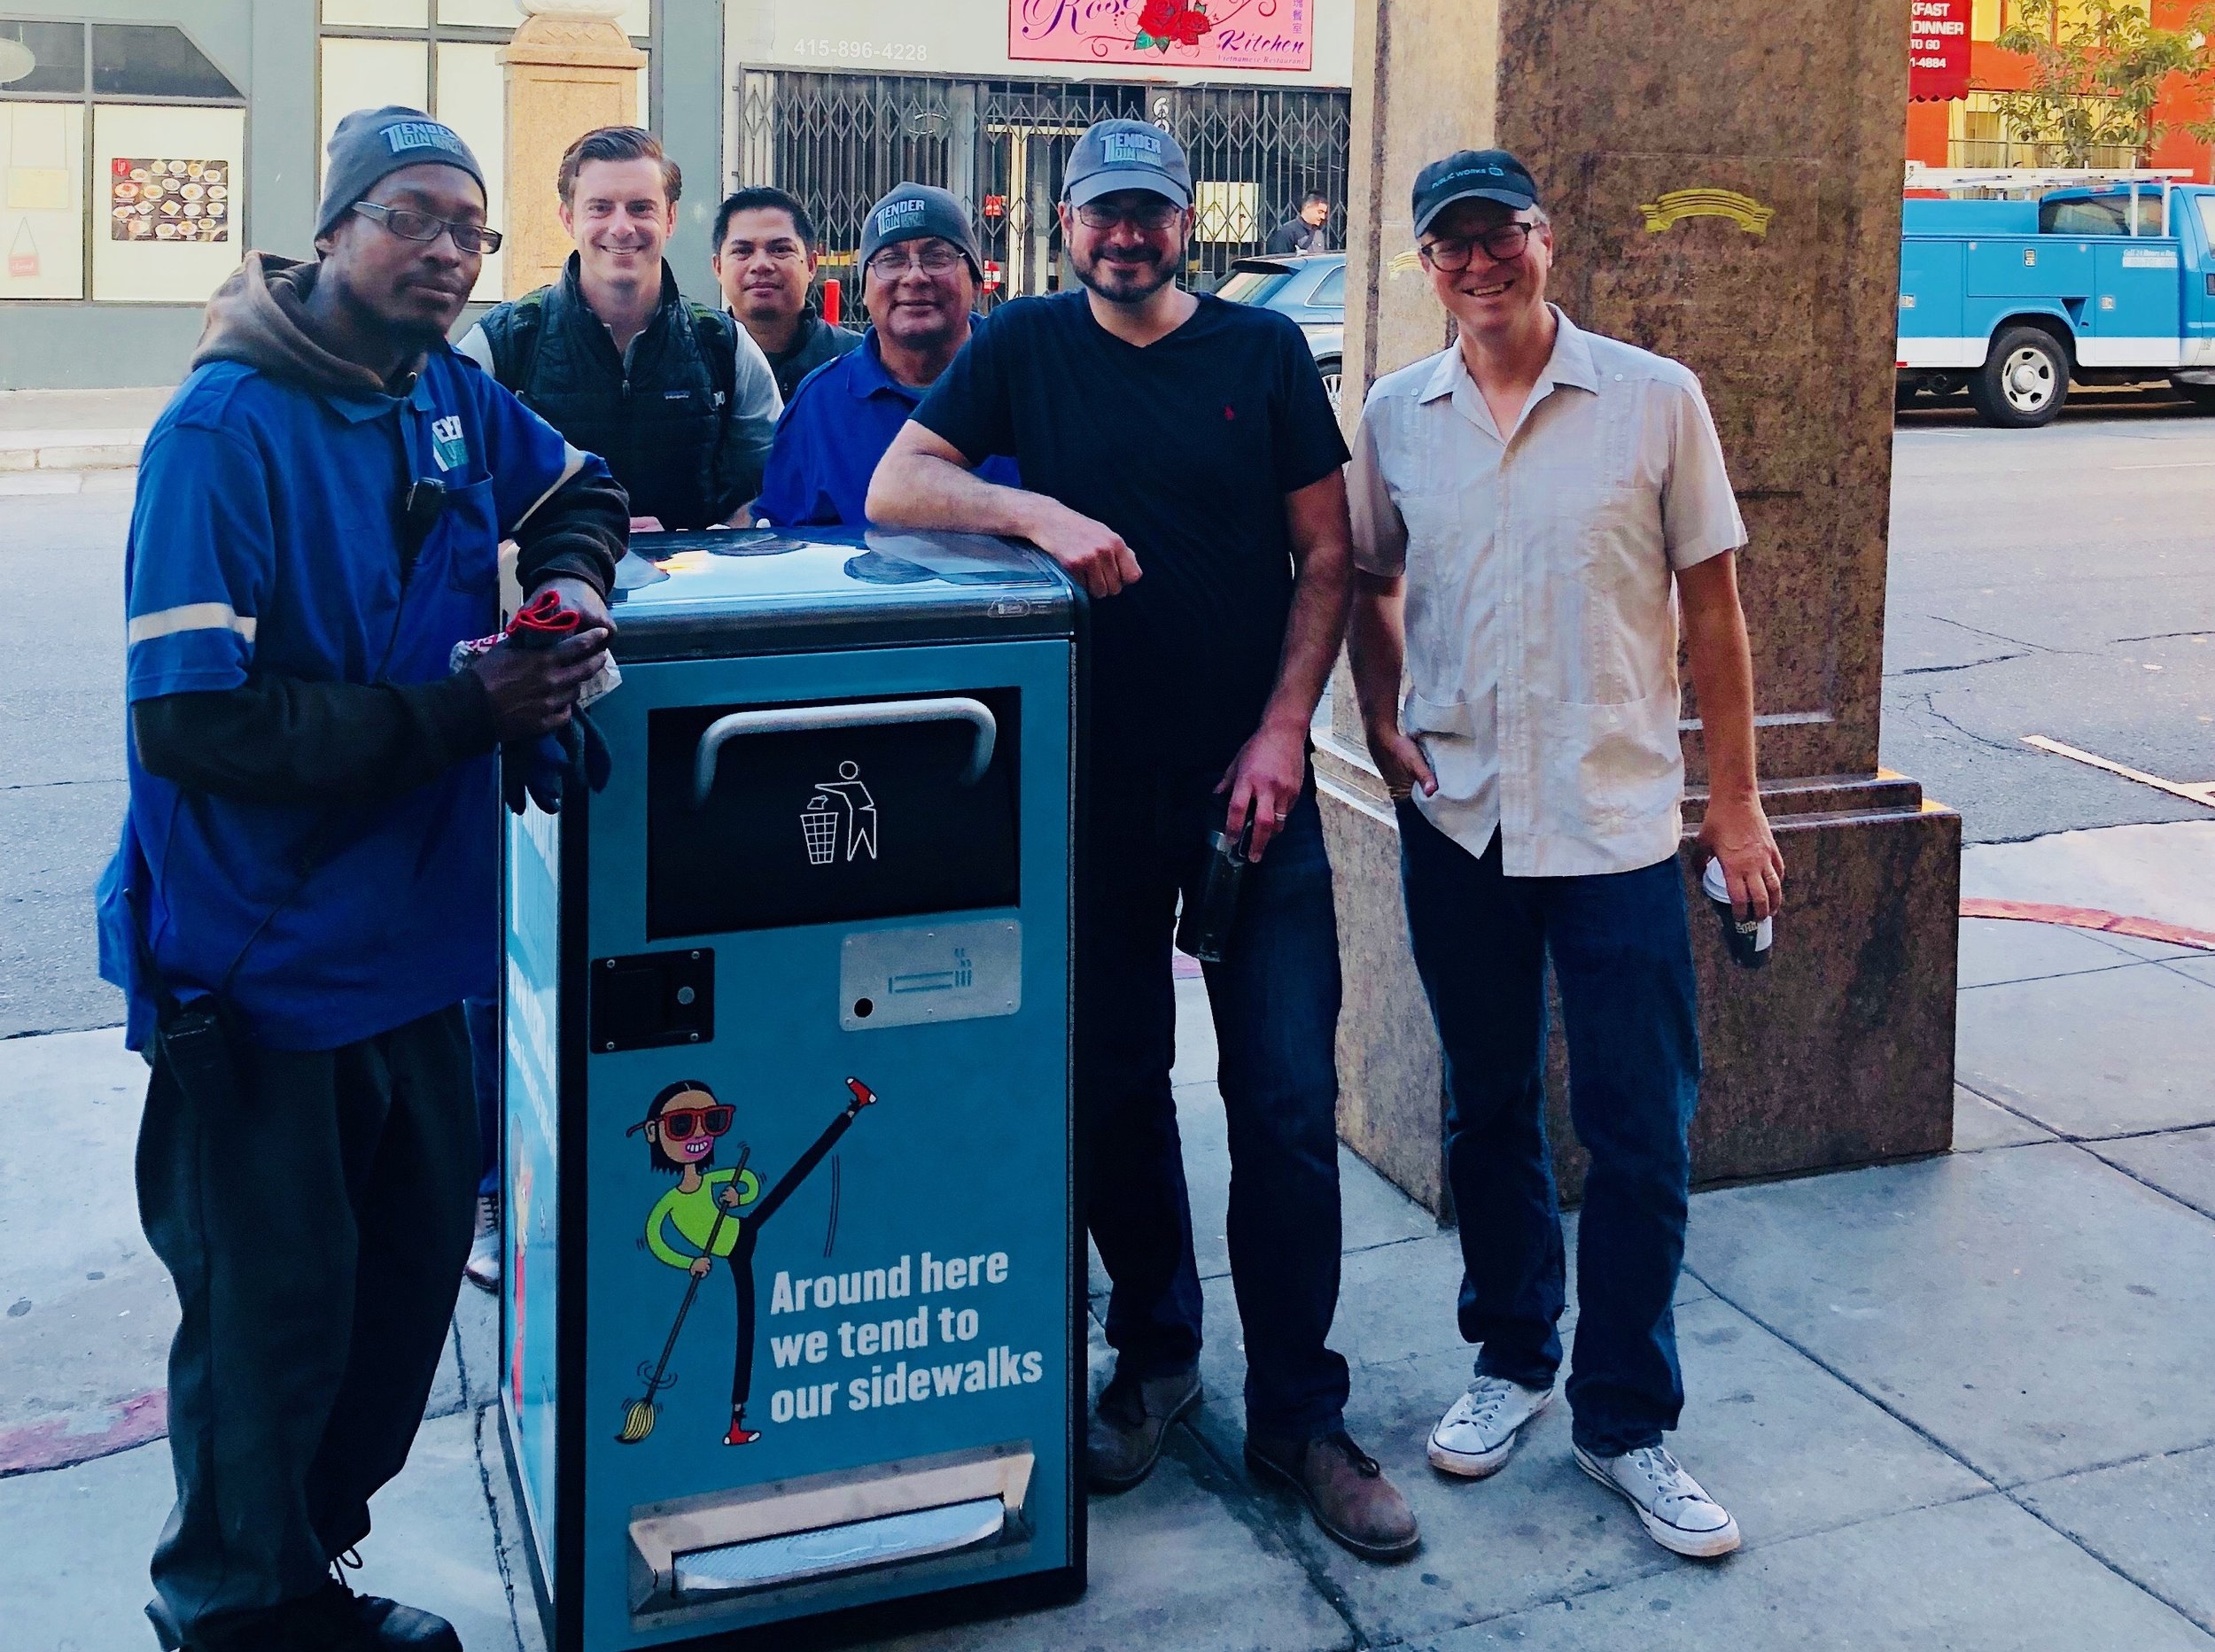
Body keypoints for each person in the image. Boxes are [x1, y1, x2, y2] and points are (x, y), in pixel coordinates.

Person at [96, 106, 624, 1651]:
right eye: (410, 217)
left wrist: (573, 585)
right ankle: (232, 1609)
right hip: (259, 981)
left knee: (395, 1315)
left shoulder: (445, 394)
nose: (447, 251)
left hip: (423, 954)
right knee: (272, 1332)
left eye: (469, 226)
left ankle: (302, 1569)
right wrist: (467, 713)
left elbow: (575, 486)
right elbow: (195, 722)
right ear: (331, 232)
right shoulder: (224, 430)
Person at [868, 119, 1419, 1562]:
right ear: (1065, 222)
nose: (1126, 237)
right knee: (1114, 1087)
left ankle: (1301, 1414)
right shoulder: (1027, 347)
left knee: (1289, 1104)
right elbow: (899, 486)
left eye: (1150, 216)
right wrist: (1035, 508)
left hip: (1255, 795)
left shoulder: (1257, 359)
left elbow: (1325, 556)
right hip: (1089, 795)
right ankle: (1159, 1357)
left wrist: (1286, 731)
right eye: (1103, 215)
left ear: (1190, 225)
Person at [1343, 149, 1784, 1562]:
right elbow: (1368, 579)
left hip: (1614, 822)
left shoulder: (1656, 401)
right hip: (1461, 814)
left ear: (1545, 242)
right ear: (1424, 265)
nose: (1477, 267)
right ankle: (1514, 1356)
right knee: (1486, 1110)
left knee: (1640, 1129)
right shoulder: (1397, 415)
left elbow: (1712, 612)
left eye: (1498, 239)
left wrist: (1737, 804)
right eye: (1448, 247)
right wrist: (1380, 714)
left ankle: (1625, 1421)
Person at [459, 126, 779, 530]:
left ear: (671, 218)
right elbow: (451, 492)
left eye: (641, 208)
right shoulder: (502, 344)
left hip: (684, 590)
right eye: (600, 207)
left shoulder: (724, 346)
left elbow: (778, 486)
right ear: (568, 219)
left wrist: (700, 543)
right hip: (541, 588)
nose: (622, 226)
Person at [752, 183, 1017, 527]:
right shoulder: (820, 404)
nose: (915, 277)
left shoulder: (1029, 384)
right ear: (863, 290)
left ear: (977, 282)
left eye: (937, 257)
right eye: (891, 260)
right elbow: (783, 545)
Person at [711, 184, 863, 402]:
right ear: (718, 267)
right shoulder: (696, 364)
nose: (761, 265)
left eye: (780, 249)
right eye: (743, 251)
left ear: (811, 265)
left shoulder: (857, 361)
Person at [1265, 191, 1331, 256]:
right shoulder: (1287, 232)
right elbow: (1278, 261)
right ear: (1307, 208)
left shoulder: (1319, 233)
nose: (1323, 217)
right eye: (1320, 212)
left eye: (1324, 213)